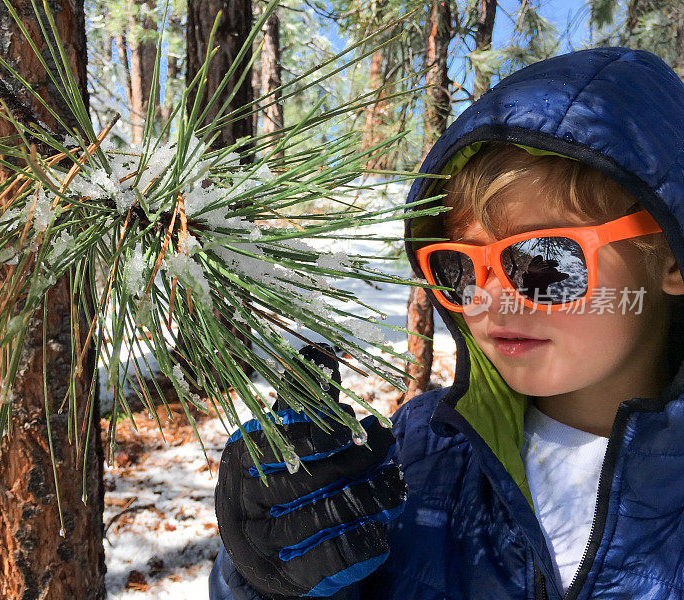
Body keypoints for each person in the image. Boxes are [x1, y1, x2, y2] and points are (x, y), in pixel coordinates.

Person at [209, 46, 684, 600]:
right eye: (458, 267)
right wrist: (268, 578)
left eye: (541, 261)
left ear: (670, 253)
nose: (487, 301)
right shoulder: (421, 450)